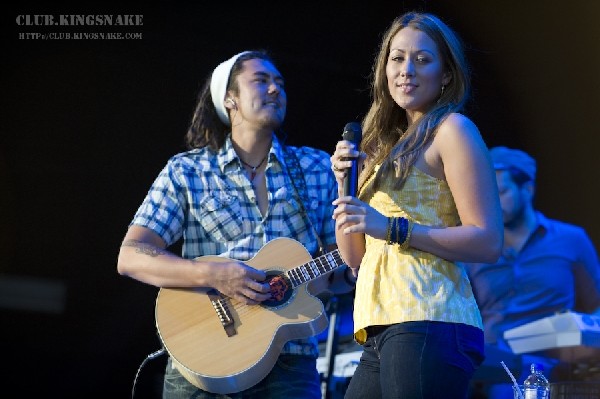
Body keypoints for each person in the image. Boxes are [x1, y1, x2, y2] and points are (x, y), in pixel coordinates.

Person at [117, 50, 356, 399]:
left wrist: (351, 272)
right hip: (203, 359)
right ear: (229, 98)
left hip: (290, 362)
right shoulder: (188, 171)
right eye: (261, 80)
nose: (276, 89)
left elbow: (333, 272)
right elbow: (131, 256)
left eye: (280, 83)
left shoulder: (316, 167)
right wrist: (214, 276)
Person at [329, 11, 503, 399]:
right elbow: (355, 258)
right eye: (397, 58)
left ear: (445, 75)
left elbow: (488, 241)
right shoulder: (379, 149)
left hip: (431, 318)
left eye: (422, 60)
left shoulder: (453, 130)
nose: (406, 70)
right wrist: (345, 186)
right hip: (378, 327)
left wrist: (391, 227)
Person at [465, 146, 600, 399]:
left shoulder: (571, 239)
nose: (491, 203)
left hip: (555, 361)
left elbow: (595, 306)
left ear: (527, 190)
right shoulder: (475, 246)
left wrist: (586, 343)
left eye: (501, 192)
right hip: (495, 365)